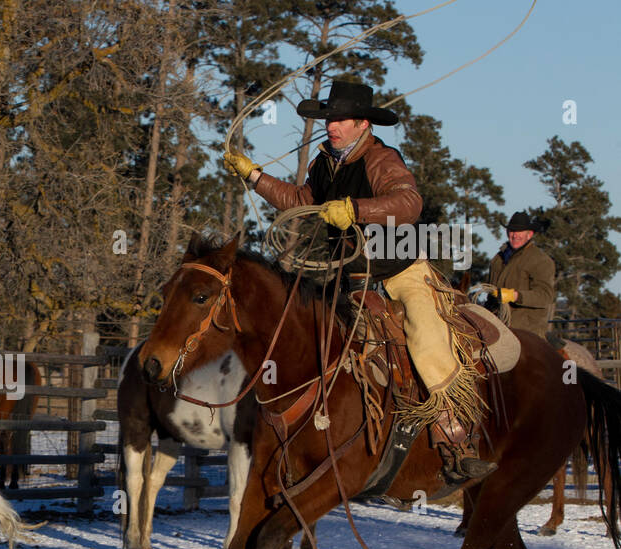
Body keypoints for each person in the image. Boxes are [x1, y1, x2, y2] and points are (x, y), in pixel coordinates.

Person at [223, 80, 494, 483]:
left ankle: (456, 435)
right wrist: (256, 177)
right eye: (329, 119)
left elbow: (408, 202)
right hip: (351, 277)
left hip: (400, 271)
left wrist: (356, 209)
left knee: (425, 337)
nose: (332, 125)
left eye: (340, 119)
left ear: (363, 124)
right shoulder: (325, 163)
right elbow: (301, 201)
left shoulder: (381, 159)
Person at [486, 211, 556, 337]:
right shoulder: (497, 259)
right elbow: (489, 292)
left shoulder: (541, 260)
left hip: (527, 330)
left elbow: (545, 296)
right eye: (512, 231)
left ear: (529, 234)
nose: (515, 235)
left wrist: (515, 296)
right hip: (497, 325)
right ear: (507, 233)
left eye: (519, 232)